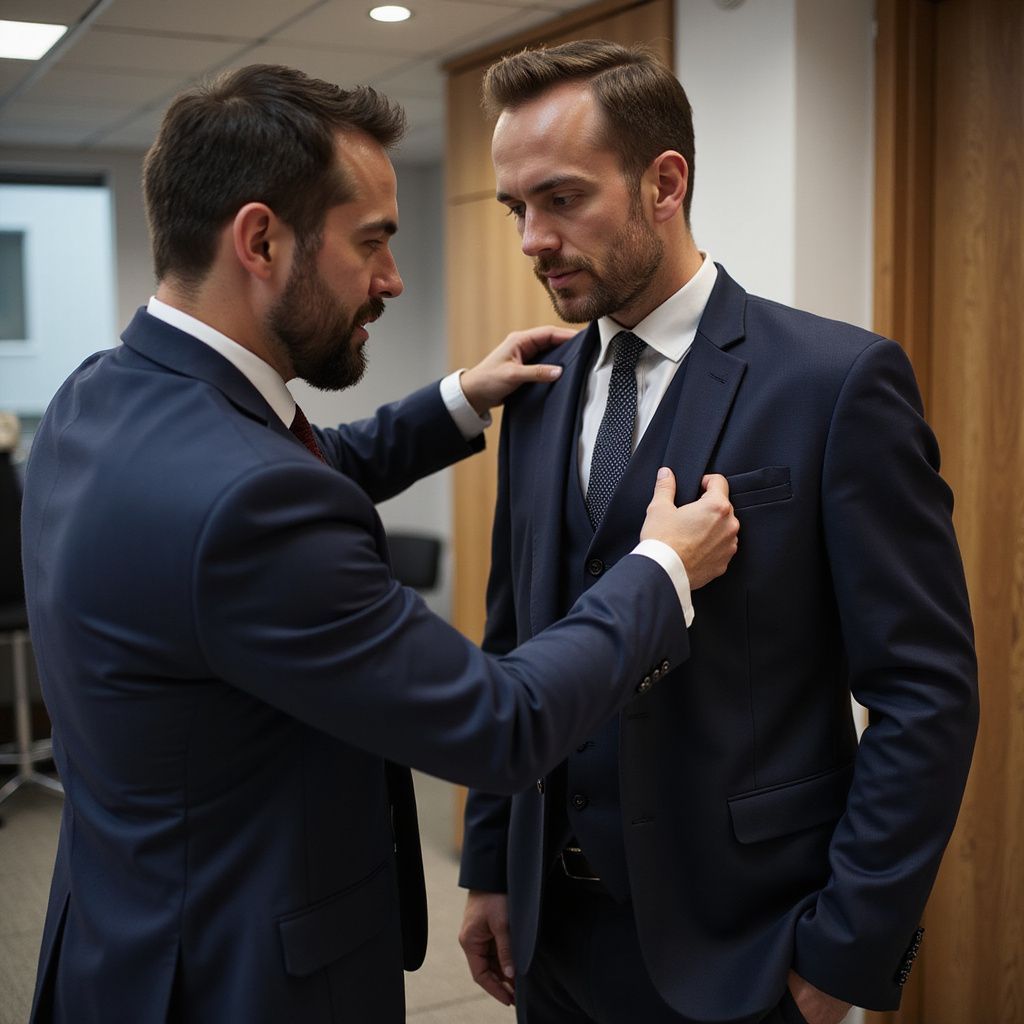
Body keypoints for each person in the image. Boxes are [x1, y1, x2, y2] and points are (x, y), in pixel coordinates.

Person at [20, 64, 743, 1024]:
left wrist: (454, 402)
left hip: (122, 937)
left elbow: (273, 483)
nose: (394, 280)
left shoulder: (98, 396)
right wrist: (661, 573)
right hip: (243, 977)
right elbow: (501, 723)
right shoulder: (246, 502)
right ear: (261, 241)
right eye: (372, 244)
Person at [457, 40, 978, 1024]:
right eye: (515, 209)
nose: (531, 239)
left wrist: (848, 947)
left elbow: (924, 692)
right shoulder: (531, 395)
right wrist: (491, 864)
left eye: (561, 199)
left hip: (747, 945)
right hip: (549, 938)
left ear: (664, 182)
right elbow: (510, 644)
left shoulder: (834, 383)